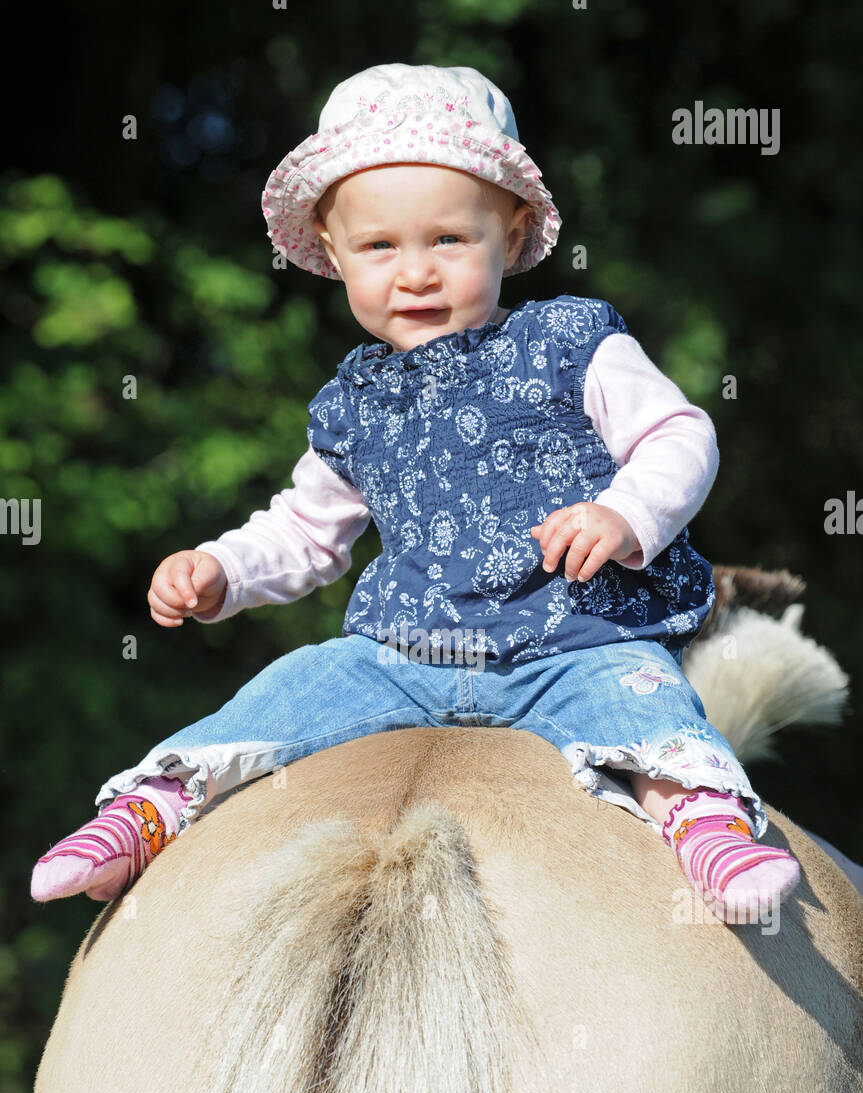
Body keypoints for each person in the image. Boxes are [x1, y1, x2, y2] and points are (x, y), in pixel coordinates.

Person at [31, 63, 800, 924]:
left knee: (642, 699)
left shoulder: (567, 342)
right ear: (332, 254)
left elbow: (677, 434)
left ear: (509, 237)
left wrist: (625, 514)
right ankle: (147, 811)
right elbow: (304, 531)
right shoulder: (354, 402)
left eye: (448, 241)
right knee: (288, 689)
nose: (416, 274)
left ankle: (707, 830)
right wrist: (219, 570)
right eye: (379, 248)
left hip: (573, 641)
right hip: (403, 654)